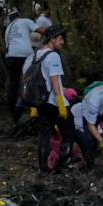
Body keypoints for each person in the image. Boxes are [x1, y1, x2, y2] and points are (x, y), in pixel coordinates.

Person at [21, 25, 74, 173]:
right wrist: (61, 104)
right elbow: (54, 81)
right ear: (52, 39)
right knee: (69, 132)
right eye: (60, 39)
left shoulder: (36, 55)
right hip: (54, 103)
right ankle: (65, 166)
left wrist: (33, 106)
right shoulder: (53, 56)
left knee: (44, 135)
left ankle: (44, 169)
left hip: (41, 103)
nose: (62, 42)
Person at [3, 10, 37, 122]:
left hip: (12, 56)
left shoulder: (8, 29)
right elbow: (39, 30)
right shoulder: (25, 21)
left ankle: (12, 107)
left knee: (14, 82)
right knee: (30, 79)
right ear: (19, 16)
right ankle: (32, 104)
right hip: (26, 55)